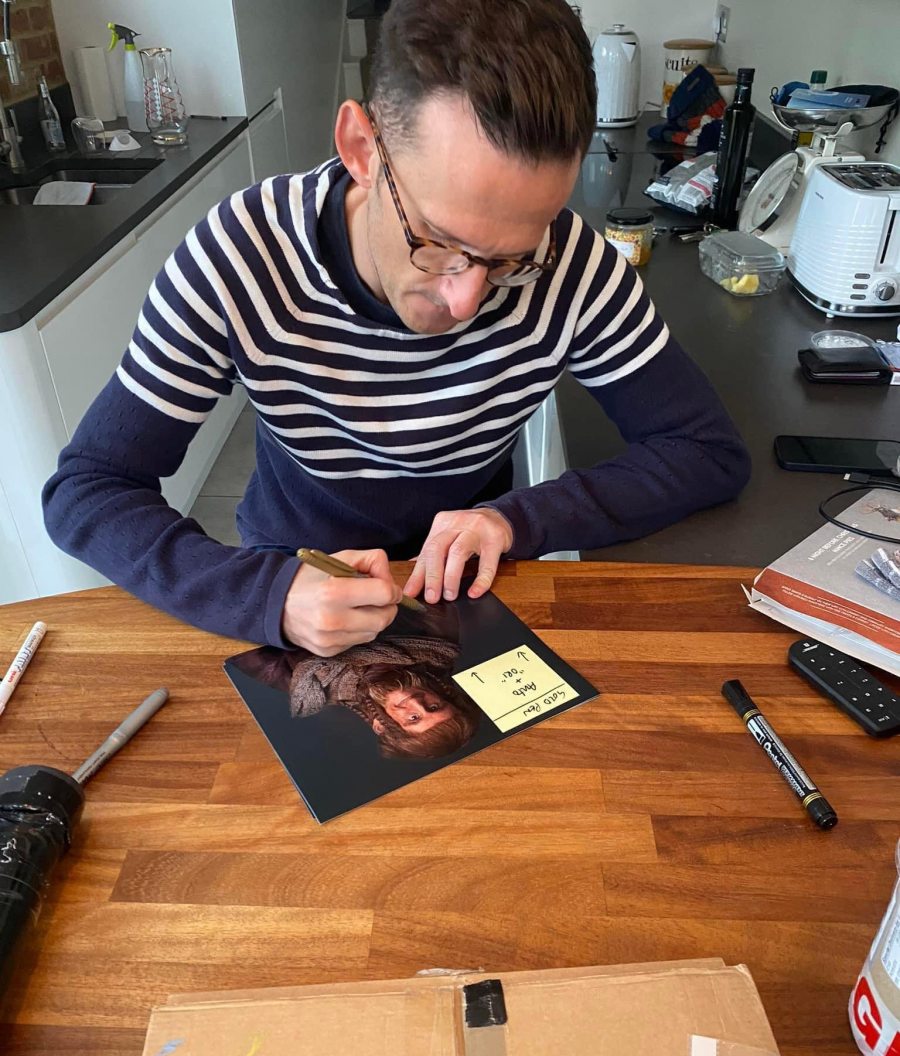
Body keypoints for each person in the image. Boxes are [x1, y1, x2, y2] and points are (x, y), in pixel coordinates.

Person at [43, 0, 750, 658]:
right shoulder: (241, 255)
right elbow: (89, 490)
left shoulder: (571, 264)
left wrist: (516, 520)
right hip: (294, 573)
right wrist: (265, 595)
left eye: (511, 259)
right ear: (362, 147)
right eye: (437, 241)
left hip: (470, 584)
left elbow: (705, 451)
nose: (466, 301)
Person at [234, 603, 482, 759]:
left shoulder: (310, 686)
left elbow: (242, 639)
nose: (417, 703)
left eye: (414, 718)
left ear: (381, 726)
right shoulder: (438, 642)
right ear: (445, 695)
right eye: (434, 706)